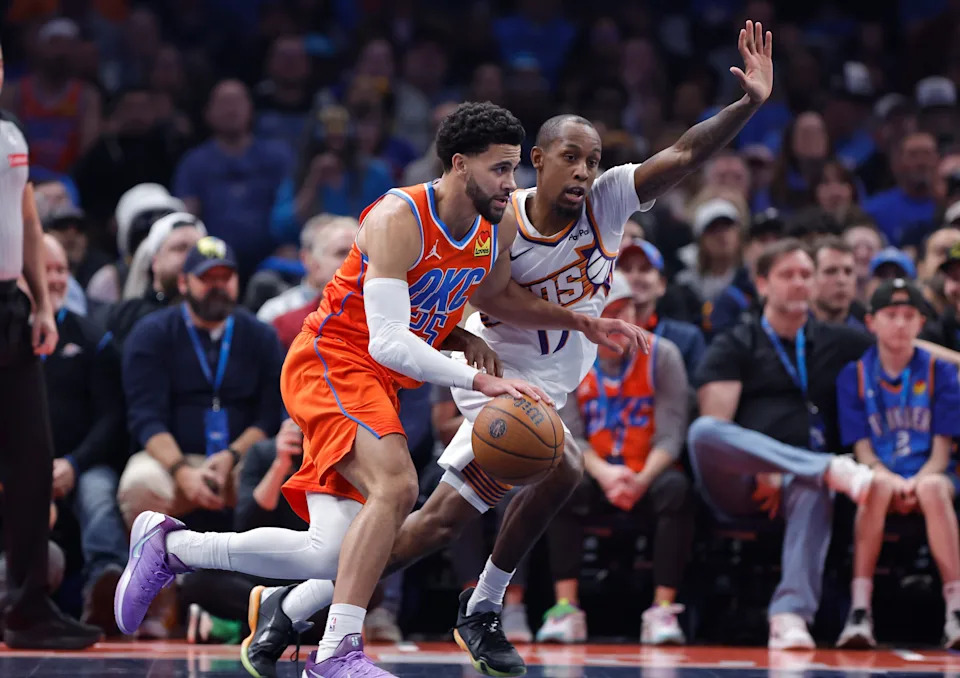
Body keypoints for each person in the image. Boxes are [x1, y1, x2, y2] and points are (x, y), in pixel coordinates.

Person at [243, 19, 777, 678]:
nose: (584, 170)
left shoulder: (610, 201)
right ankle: (482, 607)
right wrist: (580, 322)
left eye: (593, 160)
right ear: (539, 161)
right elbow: (492, 299)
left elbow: (687, 153)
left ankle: (295, 603)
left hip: (552, 380)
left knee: (437, 524)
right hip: (494, 369)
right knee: (563, 466)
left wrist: (747, 104)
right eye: (571, 157)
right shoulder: (501, 217)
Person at [113, 101, 644, 678]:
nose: (510, 184)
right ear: (459, 164)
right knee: (399, 486)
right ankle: (337, 650)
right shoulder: (398, 216)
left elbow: (481, 301)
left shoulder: (491, 230)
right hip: (333, 360)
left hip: (377, 383)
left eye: (513, 169)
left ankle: (171, 548)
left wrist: (566, 324)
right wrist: (479, 378)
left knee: (330, 553)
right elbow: (389, 341)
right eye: (499, 169)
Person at [688, 238, 876, 650]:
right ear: (762, 284)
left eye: (806, 274)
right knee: (703, 432)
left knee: (813, 485)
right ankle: (827, 467)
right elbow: (718, 425)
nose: (799, 283)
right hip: (740, 481)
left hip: (799, 482)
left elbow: (901, 345)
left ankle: (790, 616)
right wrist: (765, 468)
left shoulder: (839, 340)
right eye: (787, 275)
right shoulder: (737, 342)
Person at [0, 39, 101, 648]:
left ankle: (27, 608)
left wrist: (41, 303)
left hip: (10, 306)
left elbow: (29, 222)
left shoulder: (11, 133)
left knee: (33, 463)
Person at [537, 272, 693, 645]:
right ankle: (566, 607)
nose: (619, 322)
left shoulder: (664, 355)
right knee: (561, 483)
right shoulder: (570, 360)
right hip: (595, 468)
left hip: (649, 471)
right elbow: (569, 434)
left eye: (626, 312)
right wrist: (606, 474)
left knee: (678, 490)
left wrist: (640, 479)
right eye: (610, 313)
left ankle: (662, 610)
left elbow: (671, 436)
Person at [835, 278, 960, 649]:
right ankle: (860, 611)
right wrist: (890, 477)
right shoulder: (855, 375)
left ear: (921, 323)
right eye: (891, 315)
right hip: (882, 472)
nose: (901, 324)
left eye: (909, 315)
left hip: (931, 472)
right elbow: (864, 453)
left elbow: (940, 454)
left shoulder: (941, 372)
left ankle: (955, 609)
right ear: (871, 322)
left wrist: (917, 480)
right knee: (875, 486)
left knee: (932, 488)